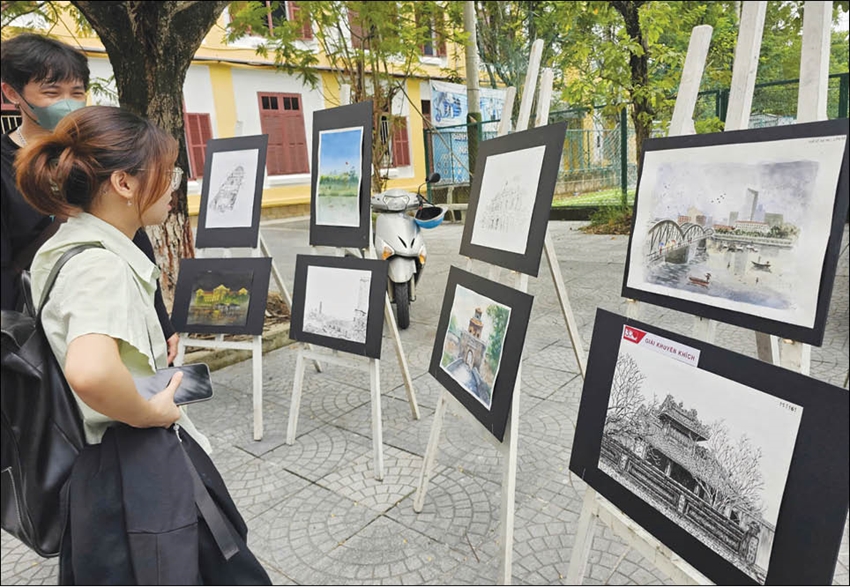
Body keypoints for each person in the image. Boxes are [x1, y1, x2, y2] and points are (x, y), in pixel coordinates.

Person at [16, 105, 271, 585]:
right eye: (166, 171)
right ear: (124, 184)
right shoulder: (101, 265)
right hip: (132, 463)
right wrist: (147, 412)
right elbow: (91, 371)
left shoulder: (69, 240)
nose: (174, 184)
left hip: (102, 463)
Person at [0, 33, 179, 365]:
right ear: (12, 93)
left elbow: (131, 232)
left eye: (77, 92)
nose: (67, 102)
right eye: (51, 92)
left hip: (112, 319)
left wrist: (160, 319)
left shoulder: (101, 151)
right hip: (35, 332)